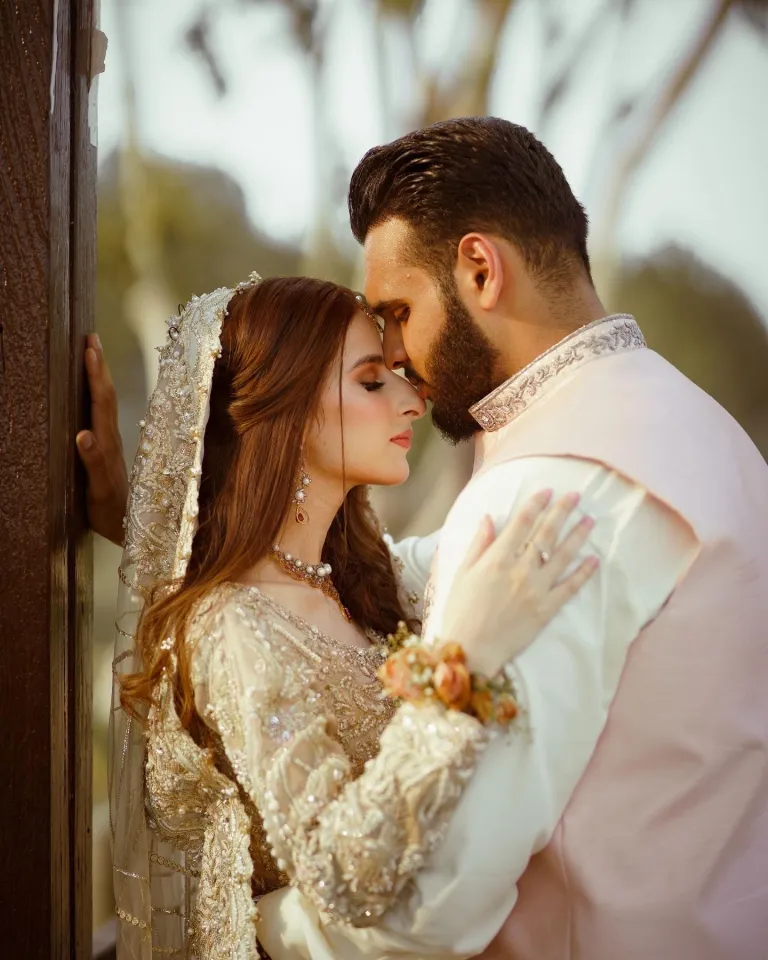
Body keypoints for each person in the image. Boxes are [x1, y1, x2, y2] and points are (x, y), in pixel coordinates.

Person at [82, 116, 768, 960]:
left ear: (480, 268)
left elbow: (432, 910)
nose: (405, 367)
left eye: (398, 316)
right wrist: (152, 521)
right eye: (372, 372)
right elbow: (301, 589)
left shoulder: (539, 501)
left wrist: (242, 926)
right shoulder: (709, 436)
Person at [102, 273, 596, 960]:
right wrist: (466, 664)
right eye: (372, 382)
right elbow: (342, 874)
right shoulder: (230, 630)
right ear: (288, 413)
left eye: (398, 375)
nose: (413, 398)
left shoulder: (371, 580)